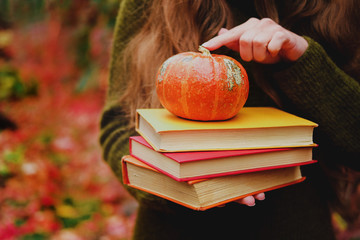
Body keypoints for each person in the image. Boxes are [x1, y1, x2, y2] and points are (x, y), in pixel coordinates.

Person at [100, 0, 360, 239]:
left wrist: (301, 59)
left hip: (296, 227)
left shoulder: (342, 8)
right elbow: (119, 124)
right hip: (172, 229)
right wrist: (181, 185)